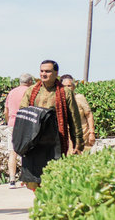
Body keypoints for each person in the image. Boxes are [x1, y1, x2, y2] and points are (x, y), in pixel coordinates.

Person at [16, 60, 83, 190]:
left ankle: (46, 204)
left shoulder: (65, 93)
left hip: (54, 144)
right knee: (32, 181)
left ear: (56, 73)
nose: (44, 74)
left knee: (53, 178)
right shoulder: (31, 91)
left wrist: (78, 143)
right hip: (34, 143)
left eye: (47, 71)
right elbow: (23, 114)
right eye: (42, 71)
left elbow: (74, 120)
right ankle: (40, 198)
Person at [3, 73, 35, 187]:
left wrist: (9, 122)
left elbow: (6, 111)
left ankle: (12, 180)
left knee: (13, 152)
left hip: (12, 124)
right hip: (26, 124)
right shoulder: (31, 91)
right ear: (30, 82)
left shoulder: (12, 93)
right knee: (26, 153)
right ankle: (25, 178)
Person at [60, 75, 95, 149]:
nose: (67, 88)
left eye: (69, 85)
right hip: (67, 138)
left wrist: (92, 133)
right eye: (64, 86)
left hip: (83, 136)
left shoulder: (79, 98)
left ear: (73, 87)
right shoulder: (60, 101)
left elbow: (89, 115)